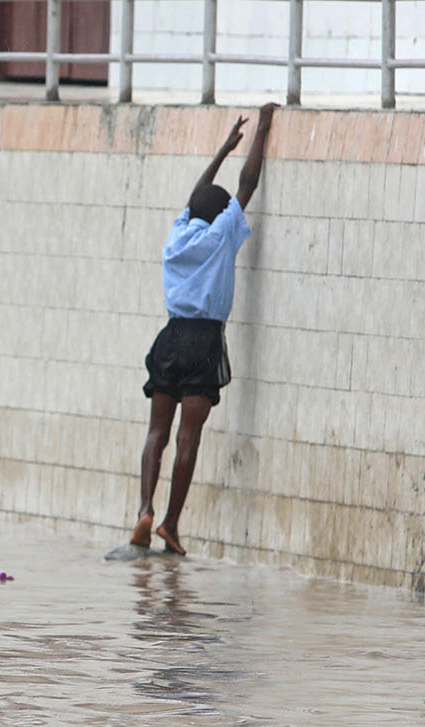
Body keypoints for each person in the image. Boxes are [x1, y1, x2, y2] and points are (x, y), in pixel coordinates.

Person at [131, 103, 278, 556]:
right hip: (204, 340)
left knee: (157, 432)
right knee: (187, 437)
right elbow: (248, 184)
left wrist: (221, 149)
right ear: (220, 216)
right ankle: (172, 525)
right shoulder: (221, 234)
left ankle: (143, 509)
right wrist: (264, 127)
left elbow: (199, 193)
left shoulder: (178, 235)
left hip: (170, 337)